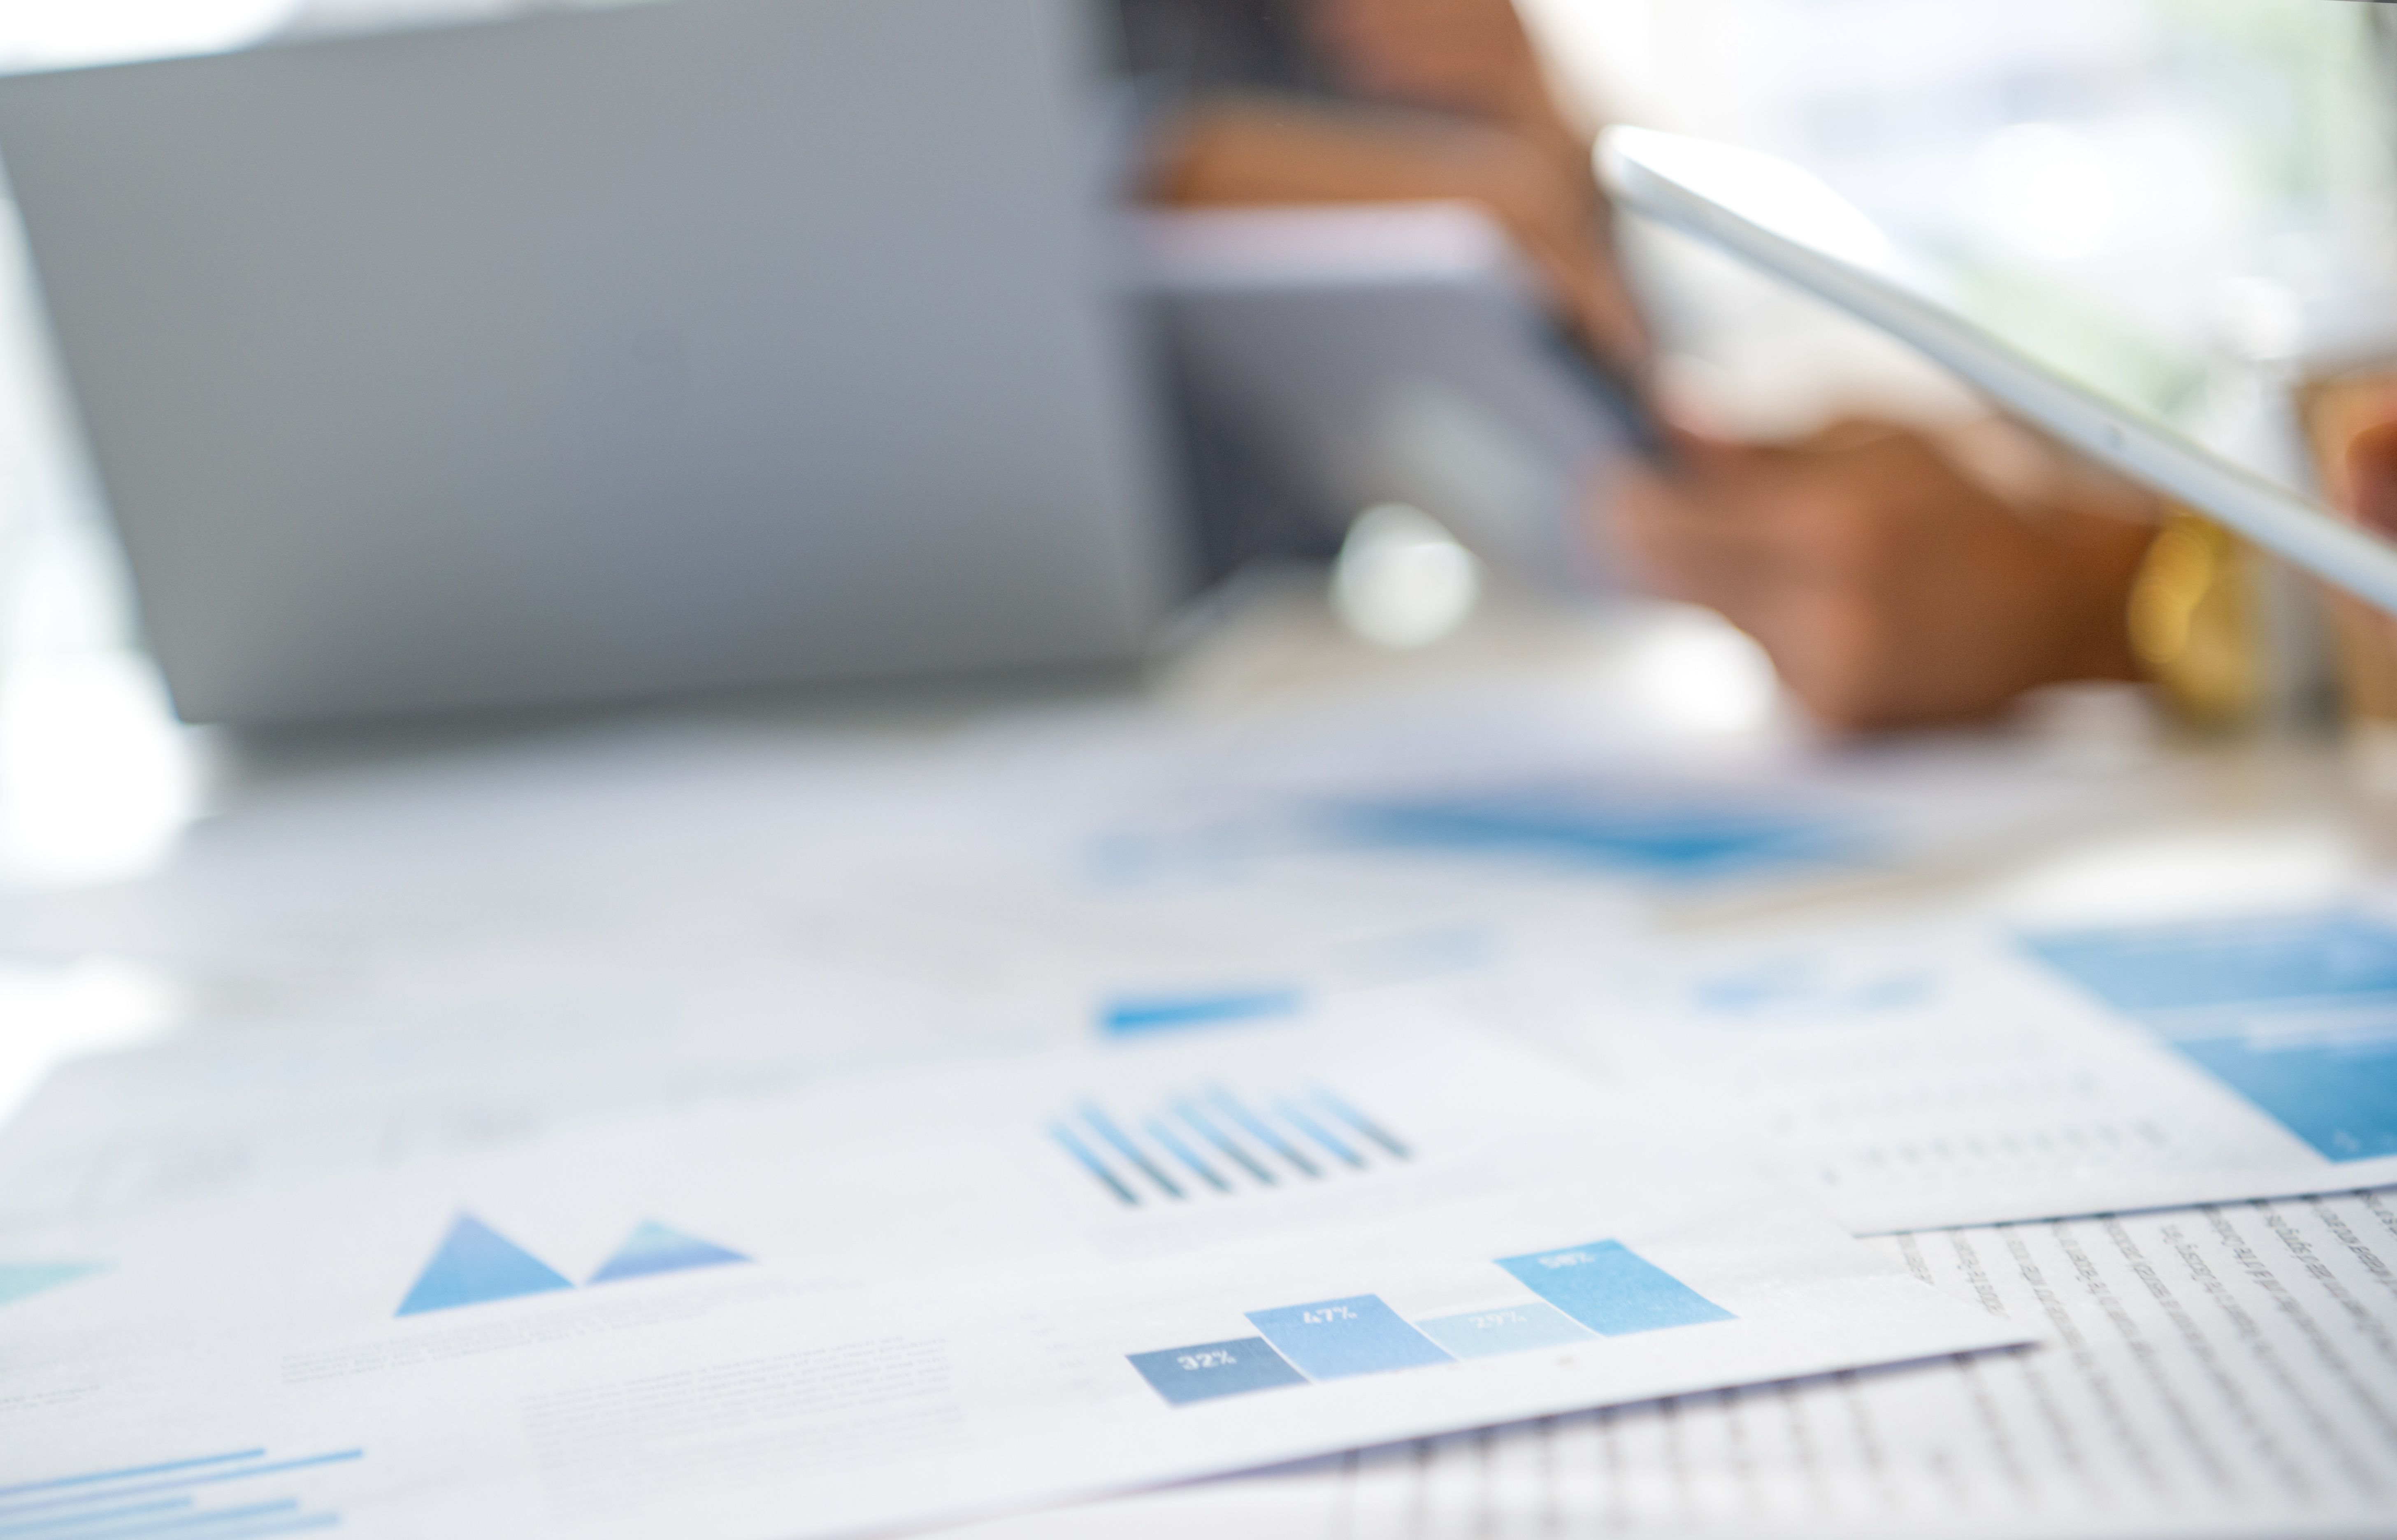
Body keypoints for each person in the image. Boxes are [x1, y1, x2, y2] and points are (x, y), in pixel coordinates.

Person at [1122, 0, 2170, 731]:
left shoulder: (1380, 37)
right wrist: (1129, 176)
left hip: (1280, 667)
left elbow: (1617, 430)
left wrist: (1560, 162)